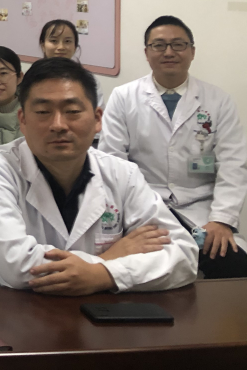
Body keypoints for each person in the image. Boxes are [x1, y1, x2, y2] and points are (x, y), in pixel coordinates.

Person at [0, 58, 199, 293]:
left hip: (104, 308)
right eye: (43, 112)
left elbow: (183, 255)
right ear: (23, 120)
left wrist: (102, 274)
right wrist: (109, 259)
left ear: (98, 119)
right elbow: (16, 267)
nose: (58, 125)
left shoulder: (122, 173)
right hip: (8, 307)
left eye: (72, 111)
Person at [100, 15, 247, 278]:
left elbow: (233, 165)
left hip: (201, 211)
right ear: (147, 53)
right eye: (159, 45)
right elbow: (112, 163)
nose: (169, 52)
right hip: (143, 208)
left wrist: (222, 219)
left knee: (235, 266)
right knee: (145, 272)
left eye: (178, 44)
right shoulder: (123, 98)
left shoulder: (218, 100)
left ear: (192, 51)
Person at [38, 20, 105, 108]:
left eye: (67, 41)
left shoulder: (88, 80)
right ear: (43, 45)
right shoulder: (33, 77)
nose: (61, 47)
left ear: (75, 46)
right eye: (54, 41)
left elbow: (97, 111)